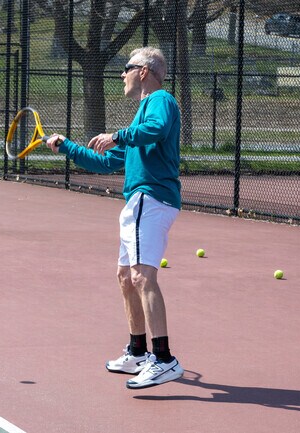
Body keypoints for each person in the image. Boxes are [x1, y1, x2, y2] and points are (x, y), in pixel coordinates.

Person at [46, 47, 183, 389]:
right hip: (138, 201)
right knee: (125, 276)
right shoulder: (140, 117)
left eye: (127, 68)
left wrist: (117, 134)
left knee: (142, 277)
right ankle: (138, 351)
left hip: (151, 198)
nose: (121, 75)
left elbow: (155, 129)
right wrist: (67, 146)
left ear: (143, 72)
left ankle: (164, 359)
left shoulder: (161, 101)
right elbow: (106, 161)